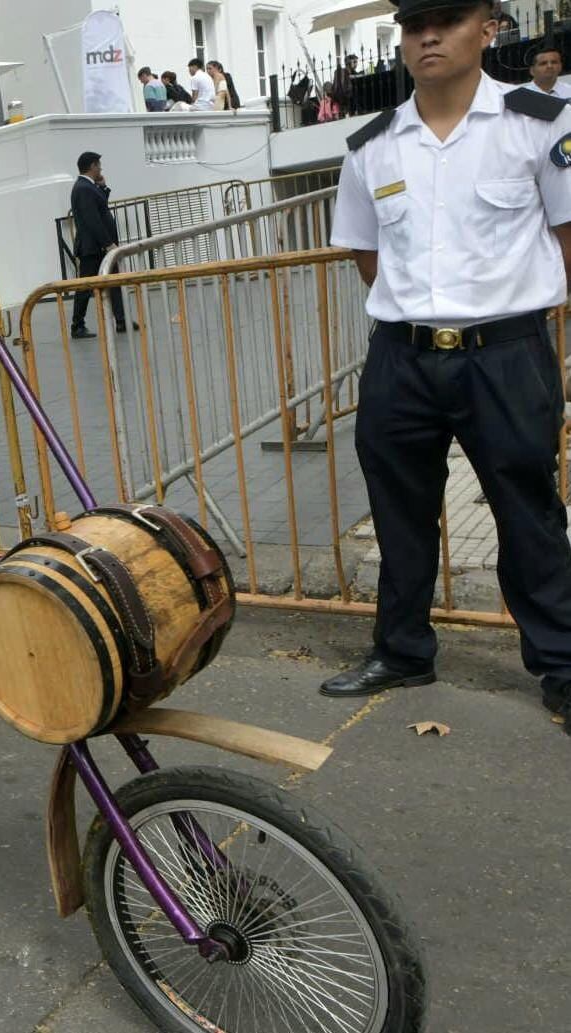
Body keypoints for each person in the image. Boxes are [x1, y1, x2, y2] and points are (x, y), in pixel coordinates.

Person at [324, 0, 571, 733]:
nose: (425, 36)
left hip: (505, 352)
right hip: (401, 356)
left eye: (445, 18)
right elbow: (368, 256)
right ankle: (401, 650)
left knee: (526, 511)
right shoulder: (372, 143)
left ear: (488, 27)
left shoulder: (537, 122)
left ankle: (561, 662)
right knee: (398, 512)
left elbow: (566, 236)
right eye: (412, 25)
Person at [68, 151, 132, 338]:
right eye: (99, 165)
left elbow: (100, 207)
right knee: (85, 286)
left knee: (114, 281)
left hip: (98, 247)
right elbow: (92, 219)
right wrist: (107, 243)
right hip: (92, 248)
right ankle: (77, 325)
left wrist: (103, 188)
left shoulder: (88, 187)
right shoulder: (83, 188)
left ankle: (120, 320)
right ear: (92, 166)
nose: (101, 169)